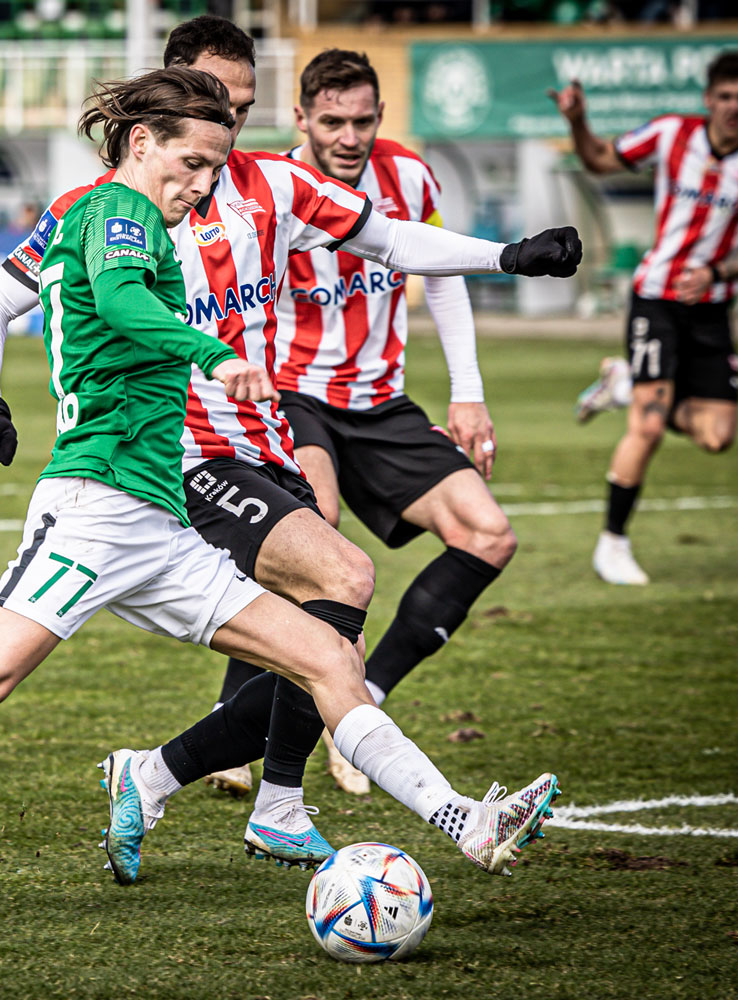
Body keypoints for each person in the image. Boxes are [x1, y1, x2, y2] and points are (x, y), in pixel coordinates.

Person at [0, 66, 562, 889]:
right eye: (191, 162)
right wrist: (213, 357)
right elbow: (125, 303)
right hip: (93, 507)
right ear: (140, 142)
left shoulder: (153, 214)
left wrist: (503, 256)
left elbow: (361, 242)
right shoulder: (115, 214)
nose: (204, 184)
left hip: (163, 522)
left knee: (331, 655)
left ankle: (464, 822)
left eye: (215, 167)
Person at [0, 15, 579, 865]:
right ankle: (345, 806)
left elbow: (390, 239)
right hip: (176, 456)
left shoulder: (275, 186)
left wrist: (506, 254)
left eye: (245, 107)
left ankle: (194, 783)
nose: (234, 123)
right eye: (218, 103)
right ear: (173, 99)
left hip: (266, 441)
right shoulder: (103, 209)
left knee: (332, 630)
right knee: (343, 578)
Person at [266, 49, 519, 796]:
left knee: (488, 533)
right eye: (334, 122)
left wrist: (466, 392)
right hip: (290, 393)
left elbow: (440, 275)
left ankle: (363, 700)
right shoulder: (271, 188)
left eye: (364, 121)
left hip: (380, 399)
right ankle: (257, 724)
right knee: (319, 533)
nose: (350, 137)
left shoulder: (409, 175)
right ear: (303, 117)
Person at [554, 50, 738, 585]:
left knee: (716, 435)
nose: (733, 106)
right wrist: (577, 121)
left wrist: (720, 269)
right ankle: (612, 544)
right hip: (656, 297)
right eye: (724, 96)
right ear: (708, 99)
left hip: (711, 307)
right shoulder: (670, 134)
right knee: (651, 423)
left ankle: (623, 385)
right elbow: (598, 160)